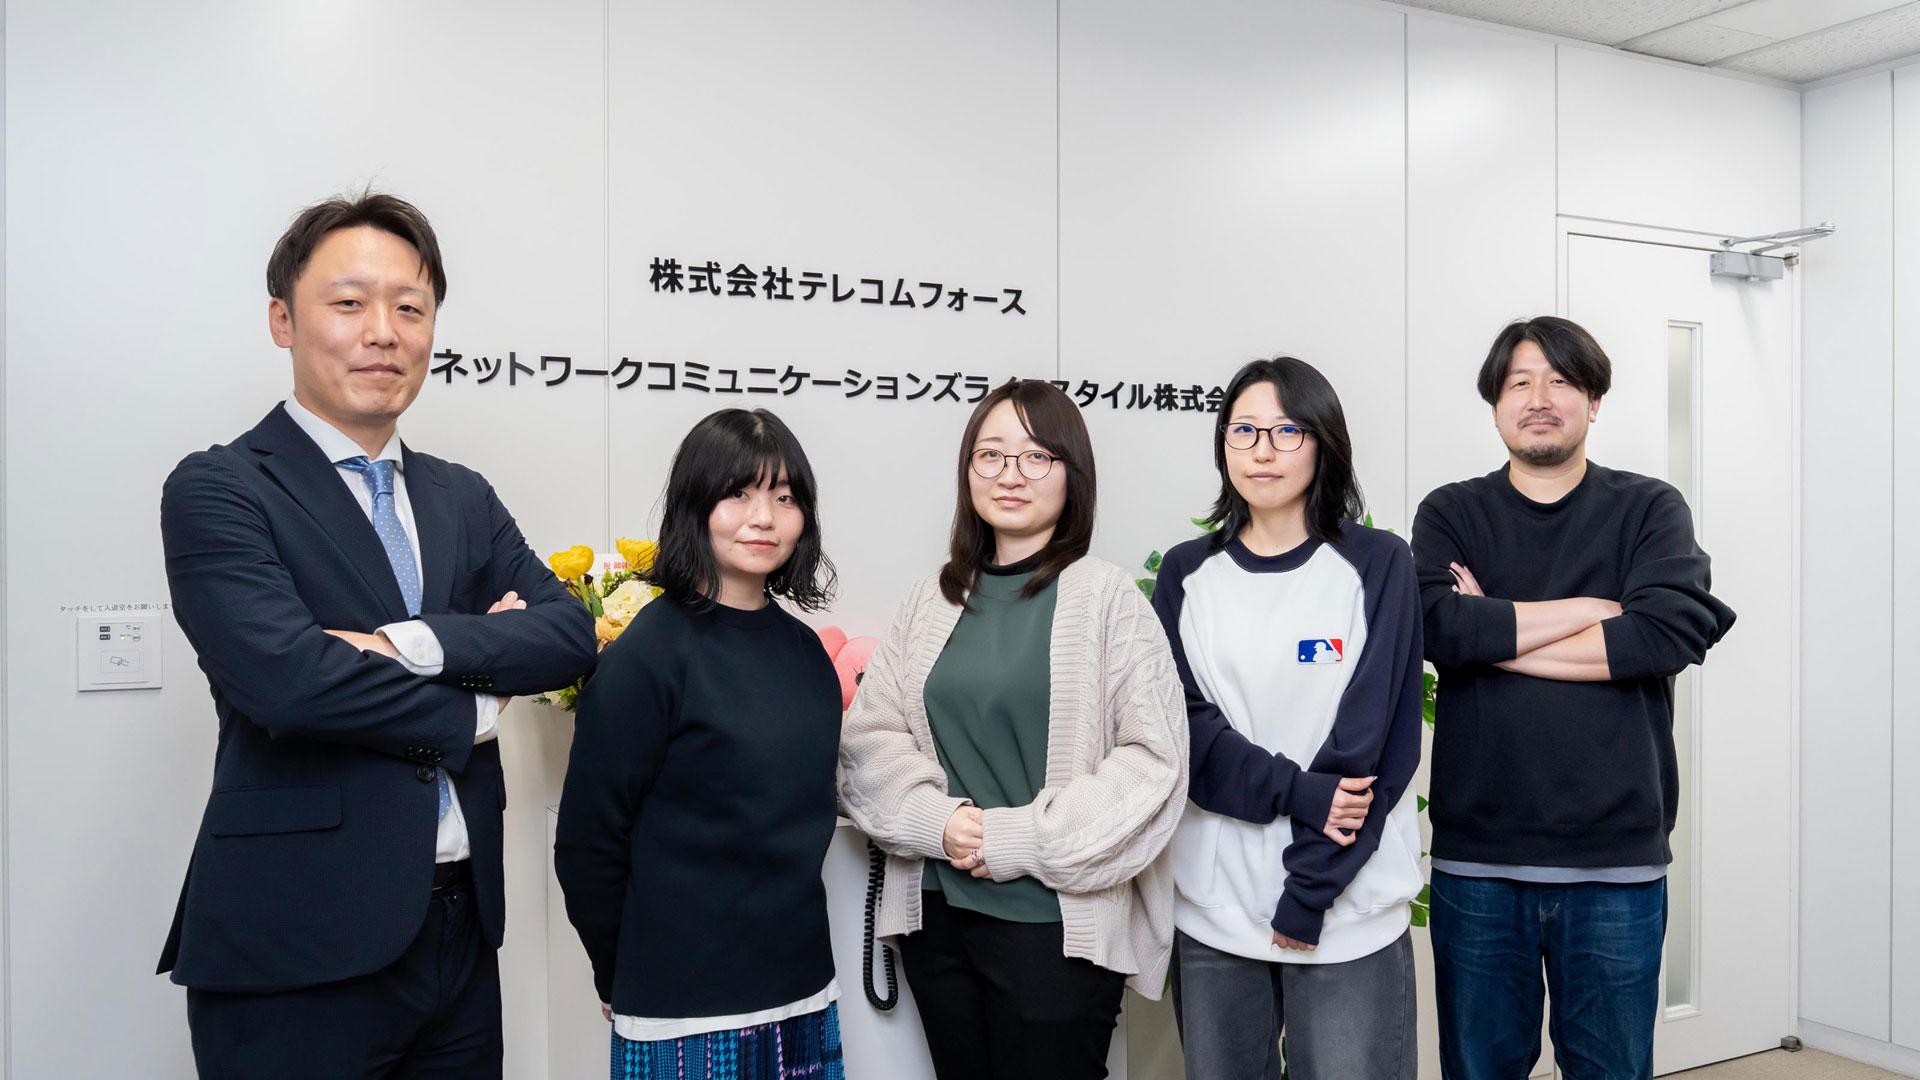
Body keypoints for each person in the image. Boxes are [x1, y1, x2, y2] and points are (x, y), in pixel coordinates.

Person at [157, 190, 597, 1077]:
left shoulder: (461, 494)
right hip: (295, 941)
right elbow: (288, 681)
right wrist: (476, 704)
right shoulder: (221, 488)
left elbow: (565, 636)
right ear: (283, 321)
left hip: (460, 931)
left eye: (410, 308)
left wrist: (403, 645)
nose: (384, 333)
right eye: (350, 303)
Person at [1412, 316, 1736, 1080]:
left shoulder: (1650, 509)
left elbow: (1662, 637)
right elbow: (1434, 627)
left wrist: (1492, 629)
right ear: (1495, 403)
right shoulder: (1452, 512)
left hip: (1615, 863)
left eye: (1561, 381)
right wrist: (1593, 610)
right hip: (1479, 862)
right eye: (1520, 382)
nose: (1540, 398)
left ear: (1593, 401)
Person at [837, 379, 1188, 1080]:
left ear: (1071, 473)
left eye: (1035, 457)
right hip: (938, 917)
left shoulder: (1107, 598)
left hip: (1054, 925)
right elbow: (866, 743)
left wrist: (1017, 837)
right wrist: (939, 822)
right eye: (990, 455)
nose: (1010, 475)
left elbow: (1153, 763)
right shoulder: (933, 597)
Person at [1151, 357, 1425, 1080]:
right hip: (1215, 911)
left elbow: (1372, 746)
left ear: (1323, 442)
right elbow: (1185, 734)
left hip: (1347, 912)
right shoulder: (1187, 573)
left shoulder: (1377, 564)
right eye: (1243, 430)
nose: (1262, 450)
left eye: (1287, 430)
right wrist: (1301, 792)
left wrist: (1308, 896)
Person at [555, 408, 846, 1080]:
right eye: (738, 493)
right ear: (695, 504)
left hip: (803, 992)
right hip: (682, 1011)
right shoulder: (648, 656)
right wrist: (619, 972)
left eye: (784, 497)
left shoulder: (805, 651)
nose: (764, 517)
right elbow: (588, 845)